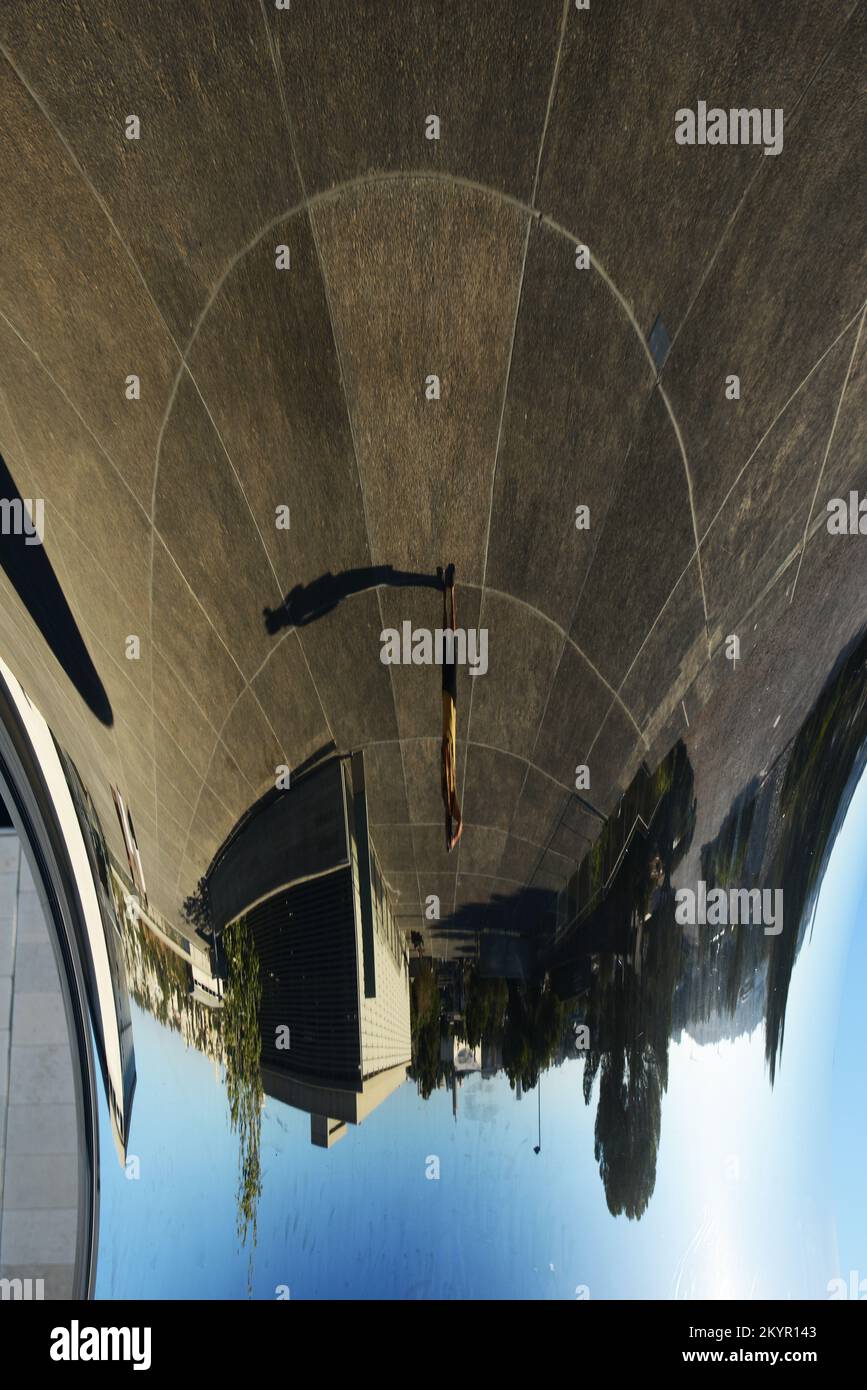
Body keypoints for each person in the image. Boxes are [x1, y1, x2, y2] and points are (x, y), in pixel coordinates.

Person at [440, 564, 463, 853]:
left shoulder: (444, 797)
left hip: (444, 703)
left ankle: (444, 594)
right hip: (451, 707)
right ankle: (452, 591)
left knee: (444, 644)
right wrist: (455, 839)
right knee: (451, 644)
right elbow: (463, 822)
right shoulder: (452, 798)